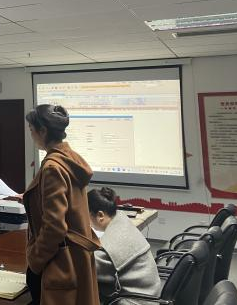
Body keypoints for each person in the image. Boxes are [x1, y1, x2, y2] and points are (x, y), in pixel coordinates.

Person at [23, 104, 100, 305]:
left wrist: (35, 260)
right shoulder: (69, 159)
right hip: (76, 258)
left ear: (43, 131)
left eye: (31, 129)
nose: (31, 135)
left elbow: (55, 227)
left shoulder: (52, 168)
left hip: (60, 262)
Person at [88, 187, 160, 304]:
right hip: (151, 294)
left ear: (100, 215)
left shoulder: (109, 248)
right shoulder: (123, 223)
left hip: (137, 301)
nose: (88, 223)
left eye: (87, 218)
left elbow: (87, 268)